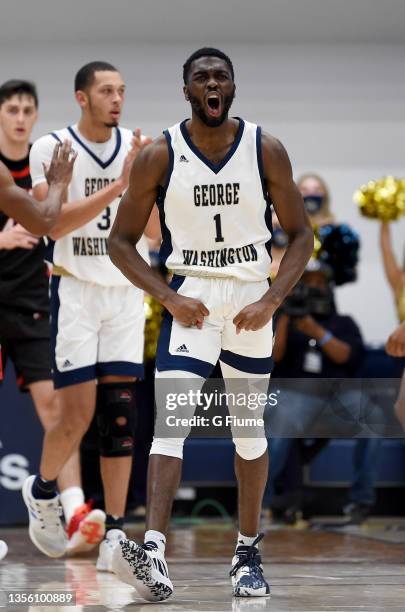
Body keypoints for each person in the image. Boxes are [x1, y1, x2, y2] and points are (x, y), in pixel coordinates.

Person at [108, 47, 313, 600]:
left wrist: (272, 300)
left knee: (248, 433)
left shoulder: (265, 149)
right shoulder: (159, 155)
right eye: (202, 77)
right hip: (190, 298)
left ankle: (247, 550)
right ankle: (153, 552)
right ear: (187, 91)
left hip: (249, 301)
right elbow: (119, 242)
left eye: (221, 75)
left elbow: (301, 236)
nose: (212, 83)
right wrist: (167, 298)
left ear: (233, 88)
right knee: (169, 424)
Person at [22, 61, 159, 567]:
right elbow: (51, 226)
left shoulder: (139, 148)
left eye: (122, 90)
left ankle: (118, 537)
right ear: (81, 97)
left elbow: (155, 237)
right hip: (76, 292)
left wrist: (145, 183)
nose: (117, 99)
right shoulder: (51, 148)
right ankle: (41, 492)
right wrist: (120, 184)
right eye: (106, 91)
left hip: (126, 292)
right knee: (75, 418)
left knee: (122, 414)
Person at [0, 80, 86, 552]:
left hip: (34, 300)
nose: (19, 117)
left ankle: (72, 512)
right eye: (11, 108)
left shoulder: (43, 162)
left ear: (35, 116)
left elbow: (59, 220)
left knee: (56, 408)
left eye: (27, 109)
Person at [380, 222, 405, 427]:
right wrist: (384, 219)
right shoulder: (401, 281)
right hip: (401, 353)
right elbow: (386, 250)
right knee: (401, 408)